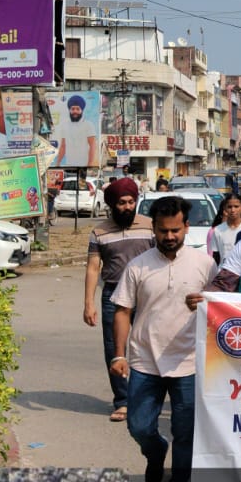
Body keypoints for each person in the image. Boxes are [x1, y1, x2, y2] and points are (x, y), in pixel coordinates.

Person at [111, 196, 218, 482]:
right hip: (145, 361)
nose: (169, 237)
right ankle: (155, 452)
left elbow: (223, 308)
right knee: (139, 426)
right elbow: (122, 311)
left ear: (186, 227)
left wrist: (208, 302)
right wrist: (119, 355)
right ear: (153, 231)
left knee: (186, 434)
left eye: (175, 230)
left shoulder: (205, 265)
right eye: (162, 231)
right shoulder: (138, 267)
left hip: (190, 363)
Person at [83, 177, 155, 421]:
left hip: (146, 294)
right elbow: (93, 267)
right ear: (112, 204)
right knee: (115, 349)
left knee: (147, 346)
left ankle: (146, 399)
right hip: (113, 294)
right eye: (122, 202)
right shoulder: (99, 231)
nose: (127, 206)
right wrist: (88, 304)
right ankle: (123, 401)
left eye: (131, 201)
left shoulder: (150, 226)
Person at [54, 94, 97, 168]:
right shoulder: (65, 125)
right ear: (69, 110)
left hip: (84, 165)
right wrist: (58, 163)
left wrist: (89, 165)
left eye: (77, 109)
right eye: (73, 109)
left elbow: (92, 146)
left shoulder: (88, 125)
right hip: (69, 165)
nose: (75, 111)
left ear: (82, 110)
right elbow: (63, 146)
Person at [208, 194, 241, 266]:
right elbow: (216, 256)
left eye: (236, 206)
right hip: (224, 272)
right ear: (225, 208)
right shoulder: (217, 230)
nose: (233, 210)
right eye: (229, 207)